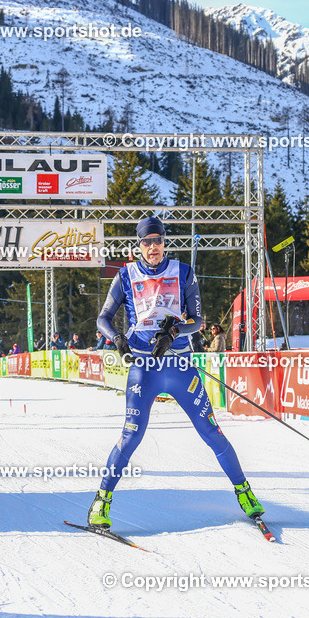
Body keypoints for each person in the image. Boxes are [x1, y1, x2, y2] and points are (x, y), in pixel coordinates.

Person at [86, 216, 265, 528]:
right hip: (144, 367)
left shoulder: (183, 272)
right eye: (146, 241)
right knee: (131, 436)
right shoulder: (126, 275)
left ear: (164, 242)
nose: (152, 247)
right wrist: (117, 338)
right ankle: (101, 501)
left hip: (181, 365)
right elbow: (103, 318)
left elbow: (197, 320)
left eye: (157, 240)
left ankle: (244, 492)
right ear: (138, 245)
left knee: (211, 431)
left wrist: (175, 331)